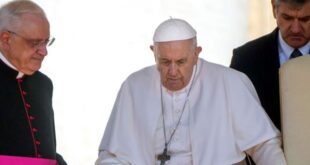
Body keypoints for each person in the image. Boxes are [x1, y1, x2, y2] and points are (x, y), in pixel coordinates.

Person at [95, 18, 287, 165]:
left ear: (196, 54)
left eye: (180, 62)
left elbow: (264, 144)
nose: (172, 71)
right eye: (164, 62)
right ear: (153, 52)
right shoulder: (134, 87)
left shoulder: (230, 82)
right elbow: (113, 154)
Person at [0, 0, 66, 164]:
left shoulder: (43, 84)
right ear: (6, 38)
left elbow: (45, 153)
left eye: (46, 41)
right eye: (35, 43)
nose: (44, 52)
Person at [230, 0, 310, 131]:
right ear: (274, 9)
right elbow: (233, 121)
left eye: (305, 19)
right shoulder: (245, 59)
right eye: (288, 18)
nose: (296, 29)